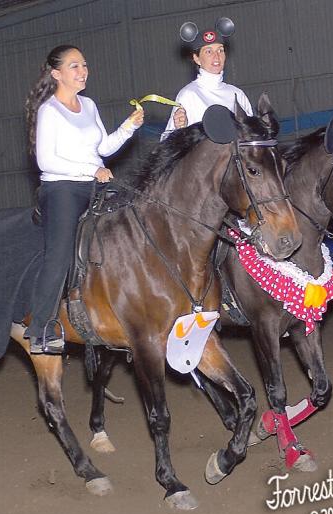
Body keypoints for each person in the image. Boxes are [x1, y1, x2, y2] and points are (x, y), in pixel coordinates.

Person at [23, 45, 143, 353]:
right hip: (62, 188)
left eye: (84, 65)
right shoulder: (49, 110)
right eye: (75, 66)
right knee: (60, 254)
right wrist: (91, 169)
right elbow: (46, 160)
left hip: (95, 182)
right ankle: (41, 328)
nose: (83, 70)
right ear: (56, 74)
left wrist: (129, 127)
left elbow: (103, 147)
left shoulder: (88, 105)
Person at [161, 18, 253, 140]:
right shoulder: (188, 95)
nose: (216, 56)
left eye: (220, 50)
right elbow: (165, 143)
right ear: (197, 59)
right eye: (209, 51)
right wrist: (179, 130)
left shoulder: (237, 94)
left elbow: (252, 137)